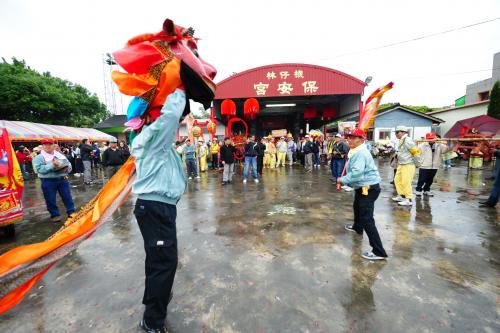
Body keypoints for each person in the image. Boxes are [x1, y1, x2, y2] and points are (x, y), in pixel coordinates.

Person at [339, 128, 388, 261]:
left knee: (367, 218)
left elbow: (356, 174)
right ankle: (357, 227)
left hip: (369, 187)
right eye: (349, 137)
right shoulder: (355, 150)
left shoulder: (360, 153)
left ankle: (379, 251)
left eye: (354, 137)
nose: (350, 140)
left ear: (362, 140)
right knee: (357, 206)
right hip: (362, 186)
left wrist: (342, 179)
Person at [33, 138, 76, 222]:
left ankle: (71, 212)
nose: (47, 146)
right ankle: (55, 215)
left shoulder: (60, 155)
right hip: (48, 181)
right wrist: (52, 165)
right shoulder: (39, 157)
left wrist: (67, 168)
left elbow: (69, 165)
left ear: (54, 145)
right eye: (45, 144)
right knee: (50, 198)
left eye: (50, 144)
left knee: (67, 196)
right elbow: (39, 170)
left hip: (63, 179)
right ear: (42, 146)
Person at [392, 126, 420, 206]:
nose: (396, 134)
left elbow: (416, 152)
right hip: (402, 163)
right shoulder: (402, 140)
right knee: (397, 180)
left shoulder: (408, 140)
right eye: (395, 132)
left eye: (397, 132)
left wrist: (418, 163)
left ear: (404, 132)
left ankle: (409, 199)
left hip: (408, 164)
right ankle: (401, 195)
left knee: (406, 182)